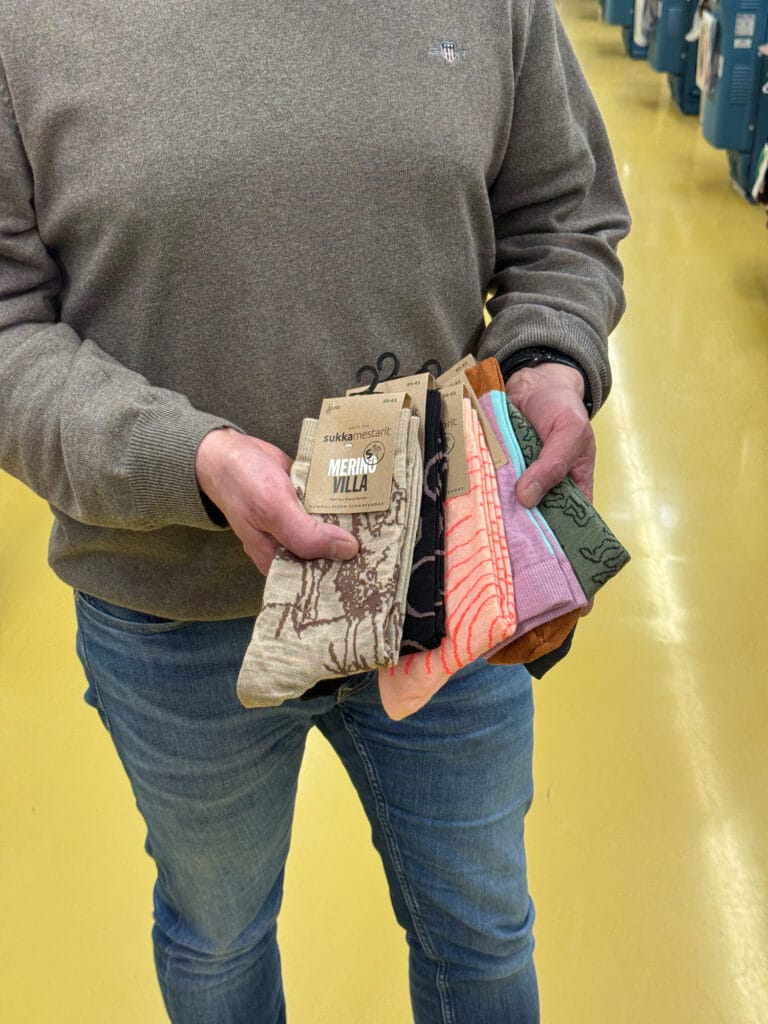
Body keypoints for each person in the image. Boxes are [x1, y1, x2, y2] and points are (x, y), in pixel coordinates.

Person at [0, 0, 630, 1021]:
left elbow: (562, 220)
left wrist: (550, 356)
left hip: (450, 582)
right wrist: (186, 457)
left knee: (480, 932)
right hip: (176, 612)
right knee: (218, 934)